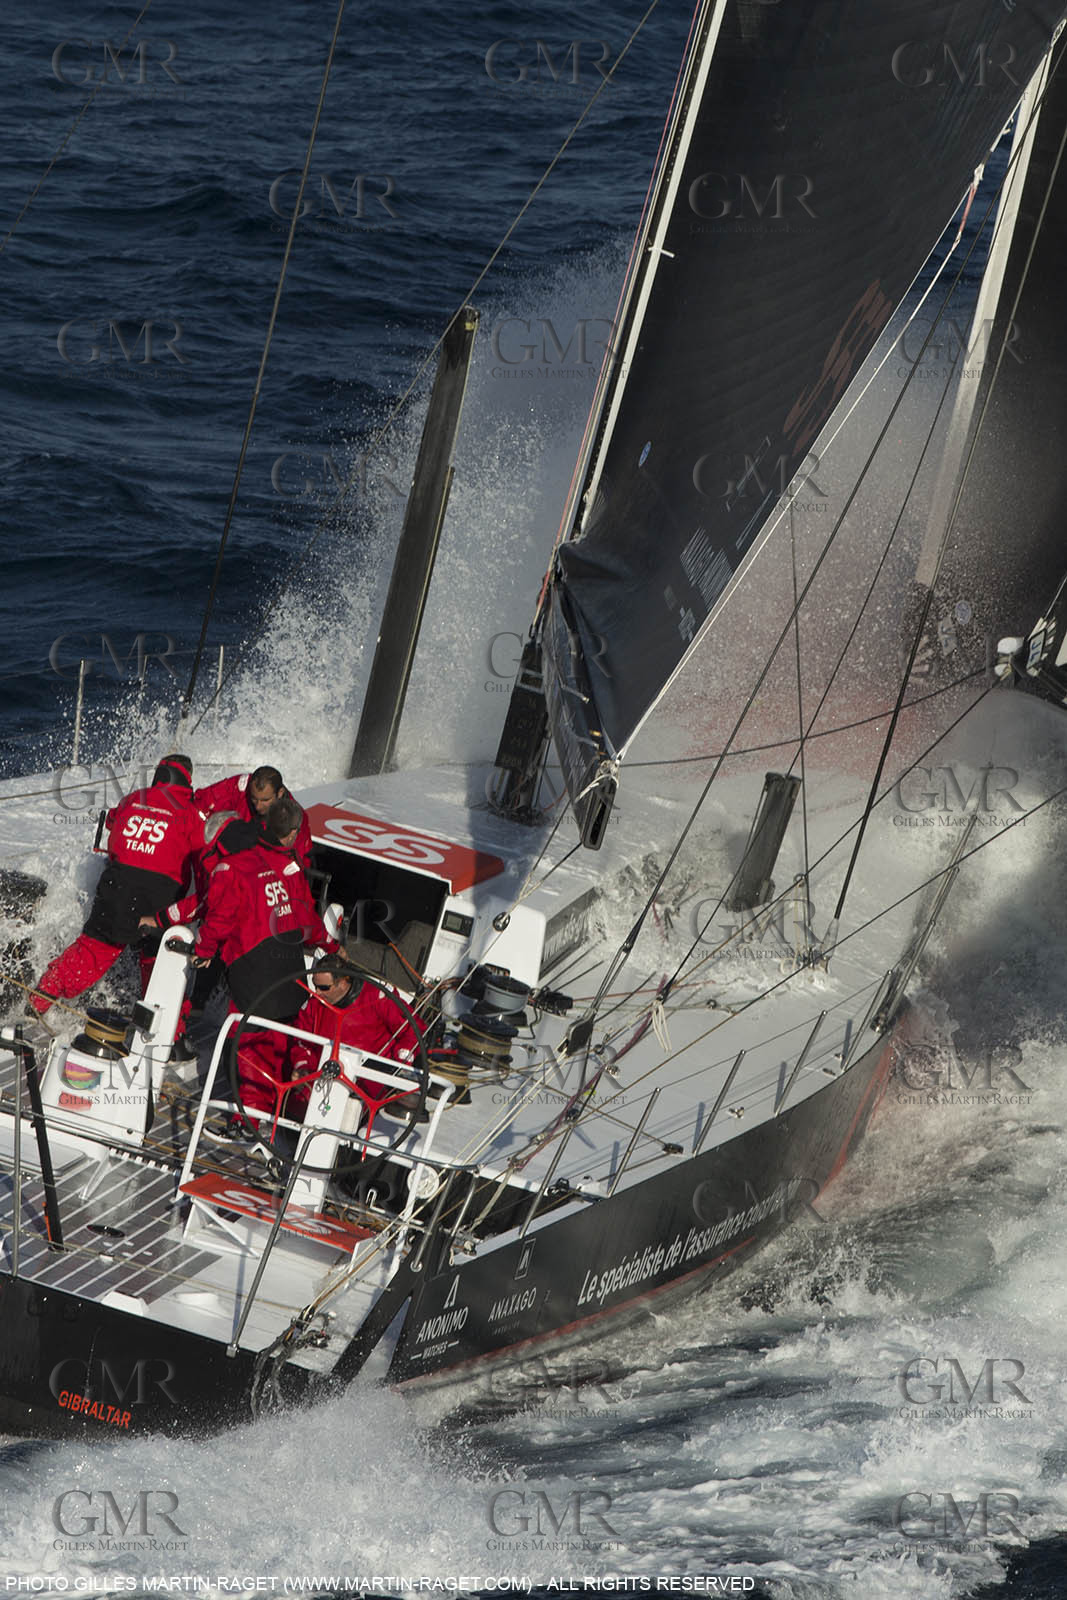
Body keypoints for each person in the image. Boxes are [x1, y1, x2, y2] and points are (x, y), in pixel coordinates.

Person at [193, 795, 338, 1139]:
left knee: (250, 1046)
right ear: (289, 837)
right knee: (276, 1043)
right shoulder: (289, 867)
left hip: (253, 970)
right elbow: (308, 920)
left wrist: (203, 949)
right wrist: (331, 946)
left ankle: (248, 1124)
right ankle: (272, 1118)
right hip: (288, 969)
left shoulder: (232, 868)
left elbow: (220, 920)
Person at [30, 754, 204, 1017]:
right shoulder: (191, 813)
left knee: (93, 949)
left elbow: (111, 821)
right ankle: (168, 1031)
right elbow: (202, 853)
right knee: (159, 962)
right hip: (161, 894)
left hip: (119, 883)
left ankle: (40, 999)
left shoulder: (134, 798)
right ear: (187, 781)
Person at [285, 956, 425, 1123]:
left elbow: (413, 1029)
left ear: (344, 982)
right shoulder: (314, 1006)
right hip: (323, 1077)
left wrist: (401, 1061)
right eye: (315, 987)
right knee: (297, 1109)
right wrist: (304, 1066)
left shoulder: (378, 998)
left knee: (348, 1117)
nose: (317, 993)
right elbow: (301, 1040)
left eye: (324, 987)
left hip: (368, 1081)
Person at [195, 765, 312, 871]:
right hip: (230, 862)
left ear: (280, 793)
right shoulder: (241, 787)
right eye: (254, 799)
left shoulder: (294, 818)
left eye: (265, 800)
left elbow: (295, 866)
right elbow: (201, 803)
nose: (258, 806)